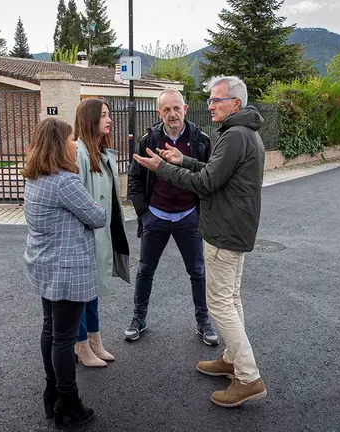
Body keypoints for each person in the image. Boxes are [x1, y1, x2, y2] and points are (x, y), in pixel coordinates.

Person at [132, 76, 267, 407]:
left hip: (224, 230)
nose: (210, 105)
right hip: (233, 228)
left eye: (216, 100)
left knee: (220, 302)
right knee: (231, 299)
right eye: (209, 100)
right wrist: (183, 160)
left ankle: (247, 376)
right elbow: (215, 172)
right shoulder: (243, 133)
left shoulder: (234, 136)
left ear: (236, 103)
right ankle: (232, 359)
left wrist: (164, 168)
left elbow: (206, 183)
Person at [23, 118, 105, 426]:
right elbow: (97, 217)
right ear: (60, 144)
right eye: (71, 139)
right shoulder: (65, 182)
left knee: (50, 331)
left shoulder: (34, 176)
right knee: (64, 339)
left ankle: (52, 393)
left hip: (44, 266)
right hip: (66, 270)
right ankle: (69, 403)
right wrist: (99, 208)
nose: (75, 143)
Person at [125, 88, 218, 346]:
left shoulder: (200, 141)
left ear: (185, 109)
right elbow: (134, 178)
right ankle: (138, 318)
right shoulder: (149, 140)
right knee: (145, 270)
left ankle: (203, 322)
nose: (172, 114)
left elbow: (209, 177)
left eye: (176, 108)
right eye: (166, 109)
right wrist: (144, 214)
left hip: (189, 217)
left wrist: (201, 214)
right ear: (159, 113)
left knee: (197, 272)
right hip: (155, 215)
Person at [73, 98, 131, 367]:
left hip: (103, 232)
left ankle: (95, 340)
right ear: (90, 119)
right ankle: (81, 344)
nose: (109, 120)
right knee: (84, 292)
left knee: (93, 290)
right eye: (104, 115)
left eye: (109, 115)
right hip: (86, 236)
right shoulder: (79, 153)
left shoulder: (101, 152)